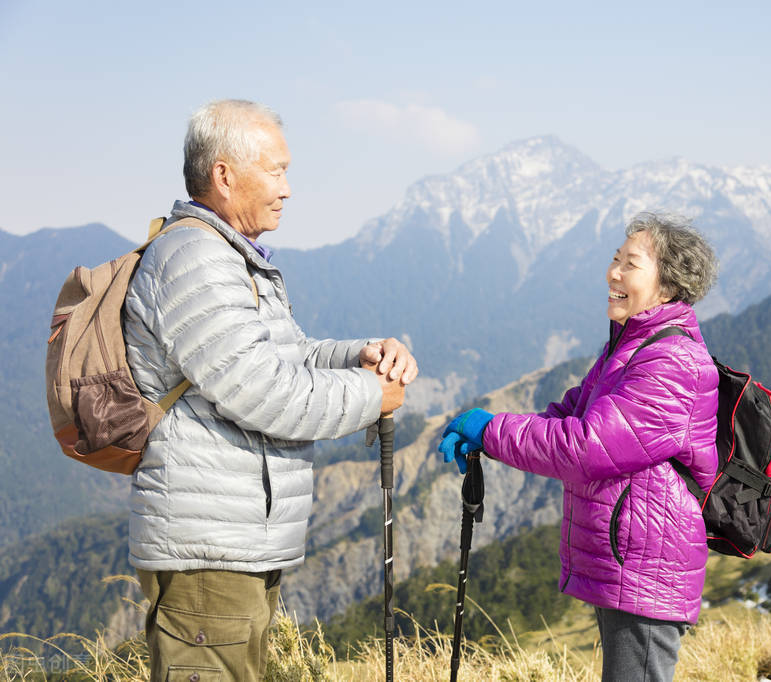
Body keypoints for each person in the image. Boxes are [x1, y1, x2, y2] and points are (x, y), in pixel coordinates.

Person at [123, 99, 417, 681]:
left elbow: (287, 354)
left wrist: (361, 355)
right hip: (208, 553)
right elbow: (263, 392)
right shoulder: (196, 260)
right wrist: (369, 396)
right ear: (224, 175)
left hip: (232, 545)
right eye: (276, 170)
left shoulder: (229, 256)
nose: (287, 188)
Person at [438, 212, 719, 682]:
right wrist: (488, 434)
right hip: (628, 561)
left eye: (630, 264)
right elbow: (570, 416)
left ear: (668, 286)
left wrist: (490, 430)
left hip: (646, 570)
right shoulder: (631, 348)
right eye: (615, 259)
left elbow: (585, 447)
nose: (613, 273)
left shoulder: (671, 362)